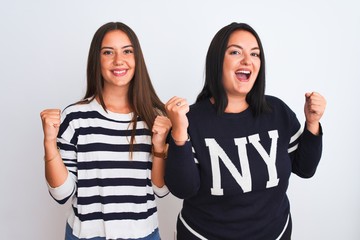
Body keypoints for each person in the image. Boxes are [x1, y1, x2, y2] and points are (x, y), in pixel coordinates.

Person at [164, 22, 326, 240]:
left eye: (255, 54)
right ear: (217, 61)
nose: (247, 60)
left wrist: (312, 123)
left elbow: (305, 169)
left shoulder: (277, 112)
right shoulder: (189, 120)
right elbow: (182, 189)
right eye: (235, 52)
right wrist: (179, 133)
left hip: (275, 233)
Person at [40, 22, 171, 240]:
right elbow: (61, 194)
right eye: (108, 52)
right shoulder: (74, 118)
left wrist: (159, 147)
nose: (119, 60)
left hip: (144, 234)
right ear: (97, 60)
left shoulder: (155, 118)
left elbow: (161, 190)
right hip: (86, 235)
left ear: (137, 58)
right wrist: (49, 143)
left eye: (127, 51)